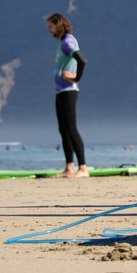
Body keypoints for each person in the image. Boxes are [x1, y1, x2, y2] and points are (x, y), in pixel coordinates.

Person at [46, 13, 89, 177]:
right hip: (60, 91)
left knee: (71, 128)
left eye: (50, 26)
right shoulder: (62, 42)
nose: (49, 30)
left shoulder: (68, 41)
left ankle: (83, 168)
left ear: (58, 24)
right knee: (63, 129)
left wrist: (75, 77)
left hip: (69, 91)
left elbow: (82, 60)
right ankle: (69, 167)